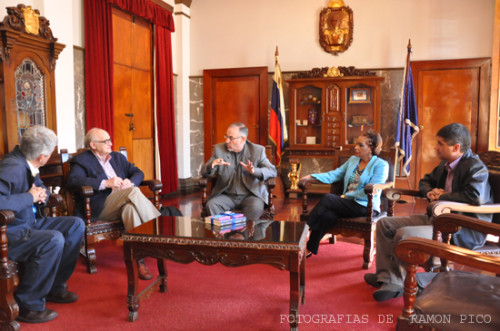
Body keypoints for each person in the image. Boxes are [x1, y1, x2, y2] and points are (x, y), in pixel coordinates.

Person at [365, 123, 493, 302]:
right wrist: (430, 192)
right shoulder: (445, 164)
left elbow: (476, 196)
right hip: (437, 219)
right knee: (385, 224)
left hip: (461, 227)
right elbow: (425, 181)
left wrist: (443, 195)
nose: (436, 147)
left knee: (405, 234)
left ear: (456, 147)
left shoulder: (475, 167)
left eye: (440, 143)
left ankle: (398, 283)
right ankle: (387, 278)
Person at [0, 126, 84, 324]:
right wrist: (30, 197)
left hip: (28, 223)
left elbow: (39, 186)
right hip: (9, 232)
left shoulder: (26, 160)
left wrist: (42, 195)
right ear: (43, 156)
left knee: (75, 225)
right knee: (52, 239)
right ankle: (28, 305)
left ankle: (55, 287)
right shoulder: (12, 167)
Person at [67, 128, 161, 280]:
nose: (111, 143)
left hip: (124, 202)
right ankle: (159, 231)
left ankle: (139, 260)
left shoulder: (117, 157)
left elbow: (138, 173)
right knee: (133, 192)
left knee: (129, 210)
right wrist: (105, 183)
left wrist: (130, 182)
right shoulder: (82, 160)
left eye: (110, 139)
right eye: (105, 141)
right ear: (93, 145)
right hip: (100, 206)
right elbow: (73, 180)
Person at [302, 131, 389, 257]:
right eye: (356, 144)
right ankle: (310, 248)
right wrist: (312, 176)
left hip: (366, 206)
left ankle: (304, 230)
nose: (356, 147)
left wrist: (347, 196)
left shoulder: (381, 165)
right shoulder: (353, 160)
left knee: (328, 198)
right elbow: (335, 174)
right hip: (348, 204)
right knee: (328, 215)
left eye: (361, 145)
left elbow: (371, 190)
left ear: (371, 148)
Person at [201, 122, 277, 224]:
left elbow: (272, 171)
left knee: (255, 207)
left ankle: (244, 236)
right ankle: (224, 235)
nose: (226, 141)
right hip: (226, 195)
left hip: (251, 196)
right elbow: (204, 172)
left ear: (243, 139)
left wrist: (255, 171)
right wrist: (212, 165)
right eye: (226, 136)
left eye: (231, 138)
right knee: (212, 205)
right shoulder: (219, 150)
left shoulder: (257, 151)